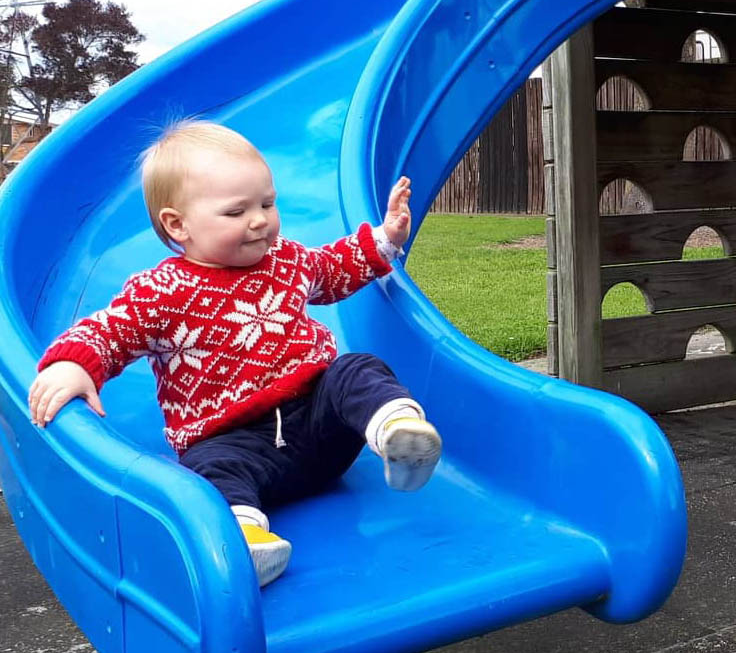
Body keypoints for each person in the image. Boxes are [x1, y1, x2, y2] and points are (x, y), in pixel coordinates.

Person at [28, 120, 441, 587]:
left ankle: (397, 434)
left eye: (267, 203)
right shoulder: (161, 292)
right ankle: (246, 537)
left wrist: (386, 238)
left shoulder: (286, 259)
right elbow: (110, 330)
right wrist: (73, 363)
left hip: (321, 429)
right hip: (236, 443)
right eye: (236, 211)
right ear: (177, 224)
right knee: (205, 470)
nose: (260, 220)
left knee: (353, 369)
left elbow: (333, 267)